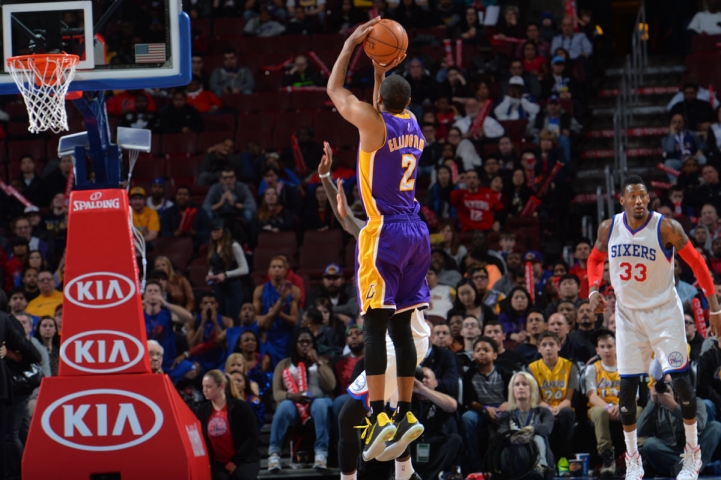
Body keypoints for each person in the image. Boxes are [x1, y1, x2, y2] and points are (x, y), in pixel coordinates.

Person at [328, 17, 430, 461]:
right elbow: (381, 106)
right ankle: (404, 413)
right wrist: (378, 71)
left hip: (384, 230)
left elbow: (334, 90)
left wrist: (351, 45)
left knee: (373, 326)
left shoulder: (373, 125)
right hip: (417, 233)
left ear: (381, 103)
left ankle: (378, 416)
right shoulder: (413, 123)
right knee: (402, 327)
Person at [587, 174, 721, 480]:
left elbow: (698, 263)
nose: (638, 201)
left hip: (663, 314)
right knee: (627, 389)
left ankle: (692, 455)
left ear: (649, 199)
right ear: (622, 200)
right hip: (628, 315)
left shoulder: (666, 227)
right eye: (632, 196)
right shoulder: (609, 227)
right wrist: (593, 288)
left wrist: (715, 308)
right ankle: (633, 460)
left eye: (643, 196)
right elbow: (594, 259)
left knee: (682, 383)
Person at [267, 328, 335, 472]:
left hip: (318, 401)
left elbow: (331, 386)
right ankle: (274, 455)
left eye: (308, 342)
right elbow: (277, 393)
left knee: (320, 405)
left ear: (314, 345)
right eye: (301, 342)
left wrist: (318, 362)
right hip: (294, 404)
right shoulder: (284, 364)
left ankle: (321, 454)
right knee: (284, 406)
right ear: (295, 344)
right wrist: (292, 396)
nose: (305, 345)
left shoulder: (322, 362)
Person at [638, 374, 721, 478]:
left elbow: (699, 425)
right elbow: (639, 431)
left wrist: (673, 407)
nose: (670, 387)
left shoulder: (696, 402)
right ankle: (696, 468)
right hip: (668, 452)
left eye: (674, 384)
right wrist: (652, 402)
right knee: (650, 444)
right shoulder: (657, 405)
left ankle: (685, 468)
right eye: (667, 384)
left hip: (693, 451)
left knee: (716, 427)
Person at [194, 370, 260, 480]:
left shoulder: (241, 408)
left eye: (208, 387)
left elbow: (252, 437)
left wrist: (235, 462)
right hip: (217, 463)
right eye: (203, 386)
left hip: (244, 460)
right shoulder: (201, 411)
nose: (204, 390)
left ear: (221, 386)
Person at [0, 311, 42, 478]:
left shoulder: (8, 321)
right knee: (20, 432)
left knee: (10, 435)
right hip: (11, 389)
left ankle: (19, 473)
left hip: (15, 388)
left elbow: (33, 355)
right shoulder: (6, 319)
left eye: (25, 322)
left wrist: (8, 353)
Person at [461, 336, 512, 472]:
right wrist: (486, 409)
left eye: (486, 350)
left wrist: (507, 404)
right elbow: (470, 402)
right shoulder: (469, 375)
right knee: (467, 418)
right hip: (480, 410)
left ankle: (506, 466)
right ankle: (475, 466)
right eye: (478, 350)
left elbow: (512, 397)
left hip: (502, 408)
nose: (481, 353)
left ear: (495, 355)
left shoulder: (505, 374)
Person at [528, 331, 577, 470]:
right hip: (542, 407)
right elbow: (536, 399)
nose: (548, 348)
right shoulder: (532, 368)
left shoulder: (570, 366)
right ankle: (545, 462)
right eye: (544, 345)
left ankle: (563, 459)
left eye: (551, 344)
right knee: (540, 415)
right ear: (539, 349)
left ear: (559, 346)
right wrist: (549, 409)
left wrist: (557, 409)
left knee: (566, 413)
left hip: (562, 407)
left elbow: (568, 399)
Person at [584, 329, 626, 478]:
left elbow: (633, 395)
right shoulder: (592, 368)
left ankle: (638, 454)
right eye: (602, 347)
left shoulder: (625, 367)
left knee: (638, 411)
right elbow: (592, 396)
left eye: (609, 346)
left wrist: (620, 407)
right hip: (599, 407)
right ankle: (607, 458)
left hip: (622, 405)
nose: (606, 350)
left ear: (616, 348)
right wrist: (608, 407)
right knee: (601, 413)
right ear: (597, 350)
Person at [497, 372, 556, 477]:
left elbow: (547, 429)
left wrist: (532, 429)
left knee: (538, 437)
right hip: (514, 458)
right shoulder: (506, 415)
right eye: (517, 384)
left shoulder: (544, 412)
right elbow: (502, 434)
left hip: (537, 455)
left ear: (532, 389)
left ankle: (540, 467)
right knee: (507, 441)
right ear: (512, 390)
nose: (520, 387)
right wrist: (516, 437)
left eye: (524, 384)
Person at [142, 280, 195, 382]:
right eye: (149, 291)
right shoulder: (139, 315)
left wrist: (165, 303)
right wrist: (139, 303)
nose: (153, 293)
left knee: (192, 370)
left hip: (168, 363)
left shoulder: (168, 314)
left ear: (161, 295)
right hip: (147, 362)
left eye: (156, 291)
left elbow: (188, 317)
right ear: (144, 295)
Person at [252, 256, 301, 367]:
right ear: (269, 271)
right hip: (267, 335)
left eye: (280, 267)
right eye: (274, 267)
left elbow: (294, 320)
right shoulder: (259, 290)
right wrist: (269, 318)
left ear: (285, 271)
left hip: (285, 336)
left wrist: (277, 312)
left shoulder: (294, 291)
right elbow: (254, 318)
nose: (277, 269)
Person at [206, 219, 249, 321]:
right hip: (218, 288)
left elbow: (245, 269)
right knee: (220, 319)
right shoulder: (213, 246)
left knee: (232, 319)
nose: (214, 233)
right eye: (212, 230)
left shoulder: (234, 246)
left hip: (232, 288)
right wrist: (210, 275)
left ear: (224, 230)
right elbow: (213, 265)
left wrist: (226, 275)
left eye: (217, 230)